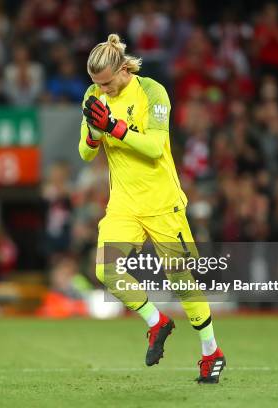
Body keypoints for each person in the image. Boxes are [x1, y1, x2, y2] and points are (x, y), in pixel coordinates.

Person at [78, 34, 225, 383]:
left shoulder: (153, 92)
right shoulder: (93, 94)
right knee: (104, 270)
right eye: (96, 84)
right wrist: (94, 134)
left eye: (108, 83)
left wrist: (113, 126)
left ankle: (211, 351)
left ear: (123, 69)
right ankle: (155, 320)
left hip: (162, 203)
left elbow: (156, 148)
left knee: (181, 280)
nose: (103, 90)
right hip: (124, 204)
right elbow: (85, 153)